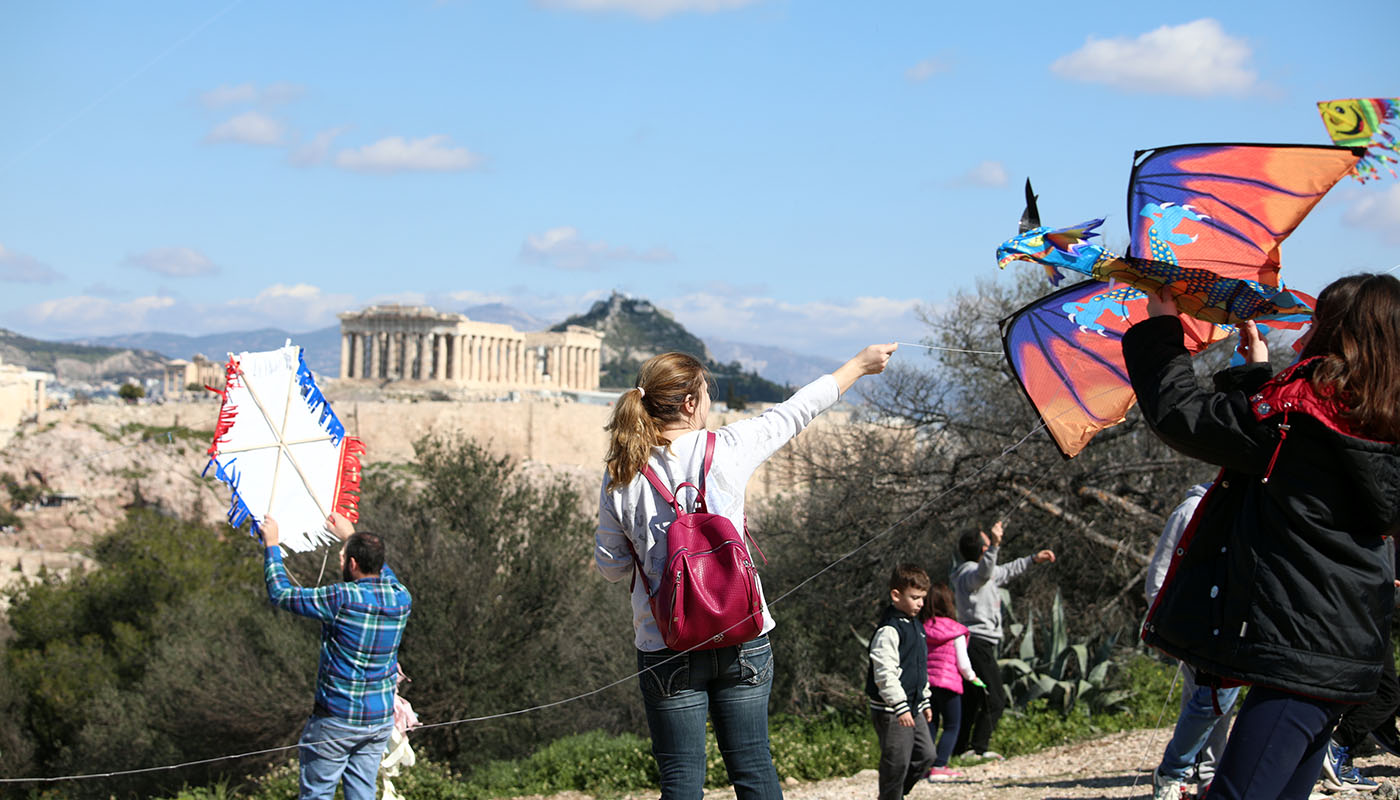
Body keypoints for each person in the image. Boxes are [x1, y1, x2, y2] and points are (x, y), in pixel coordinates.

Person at [1124, 274, 1400, 800]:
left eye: (1316, 323)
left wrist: (1163, 330)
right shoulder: (1372, 421)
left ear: (1340, 335)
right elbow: (1274, 452)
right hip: (1346, 647)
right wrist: (1255, 375)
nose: (1303, 335)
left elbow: (1185, 417)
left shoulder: (1303, 414)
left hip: (1301, 654)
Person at [595, 344, 897, 800]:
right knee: (753, 766)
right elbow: (796, 411)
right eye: (705, 394)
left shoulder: (621, 471)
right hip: (742, 633)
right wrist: (859, 365)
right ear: (690, 403)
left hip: (665, 643)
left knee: (680, 778)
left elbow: (611, 567)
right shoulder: (728, 446)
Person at [263, 512, 413, 800]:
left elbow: (281, 593)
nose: (341, 561)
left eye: (344, 558)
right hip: (378, 720)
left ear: (353, 564)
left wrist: (272, 545)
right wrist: (351, 536)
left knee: (317, 794)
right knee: (363, 793)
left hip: (336, 719)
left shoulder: (341, 598)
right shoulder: (400, 597)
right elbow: (384, 574)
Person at [1145, 482, 1241, 800]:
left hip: (1225, 625)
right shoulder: (1190, 510)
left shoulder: (1243, 510)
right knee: (1212, 699)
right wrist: (1166, 624)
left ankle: (1201, 776)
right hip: (1190, 627)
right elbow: (1159, 573)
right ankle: (1184, 773)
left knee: (1209, 701)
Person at [951, 519, 1055, 759]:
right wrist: (996, 545)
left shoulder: (982, 574)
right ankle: (978, 749)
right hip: (976, 643)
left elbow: (1006, 570)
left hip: (977, 644)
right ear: (983, 549)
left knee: (972, 699)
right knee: (995, 699)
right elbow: (985, 572)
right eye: (988, 544)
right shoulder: (968, 574)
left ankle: (959, 750)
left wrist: (1033, 559)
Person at [866, 564, 936, 800]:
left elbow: (919, 667)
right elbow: (884, 671)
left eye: (922, 598)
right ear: (896, 595)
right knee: (896, 762)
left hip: (914, 705)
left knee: (926, 755)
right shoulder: (889, 629)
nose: (920, 603)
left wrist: (925, 700)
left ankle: (893, 795)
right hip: (893, 709)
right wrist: (899, 705)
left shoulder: (916, 625)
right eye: (915, 598)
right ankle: (891, 795)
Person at [918, 581, 983, 781]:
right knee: (952, 725)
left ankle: (925, 766)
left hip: (927, 686)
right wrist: (973, 678)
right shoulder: (956, 631)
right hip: (949, 685)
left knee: (930, 724)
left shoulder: (921, 629)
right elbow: (963, 664)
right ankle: (940, 766)